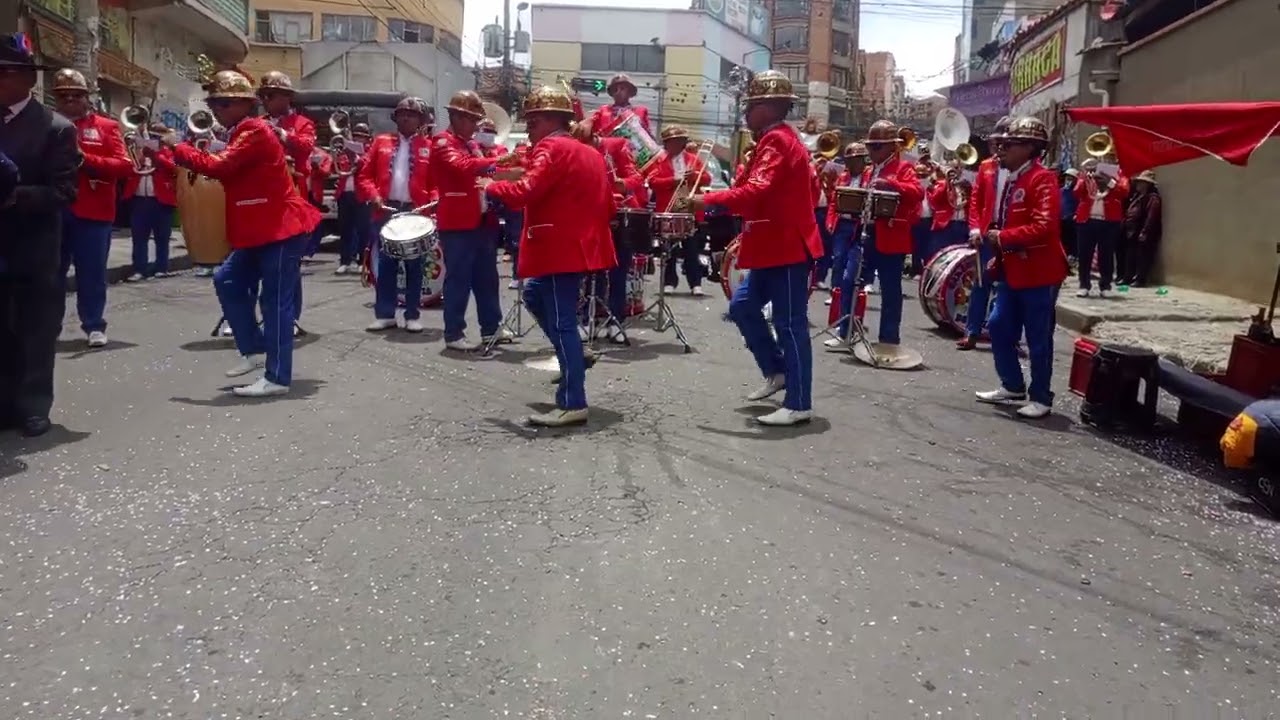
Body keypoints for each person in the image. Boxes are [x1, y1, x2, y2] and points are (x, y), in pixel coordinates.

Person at [162, 70, 321, 397]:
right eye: (213, 103)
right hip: (260, 228)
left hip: (279, 227)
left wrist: (179, 146)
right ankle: (254, 349)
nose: (216, 109)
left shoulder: (254, 130)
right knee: (226, 279)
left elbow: (219, 167)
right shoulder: (241, 132)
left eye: (223, 103)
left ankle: (277, 377)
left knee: (275, 303)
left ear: (244, 104)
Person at [691, 69, 823, 427]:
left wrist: (708, 200)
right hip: (771, 245)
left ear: (768, 107)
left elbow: (756, 191)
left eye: (750, 107)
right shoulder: (773, 141)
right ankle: (777, 371)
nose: (746, 113)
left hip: (786, 246)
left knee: (790, 324)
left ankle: (799, 403)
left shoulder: (778, 140)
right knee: (743, 306)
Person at [485, 85, 616, 427]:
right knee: (534, 296)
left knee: (562, 321)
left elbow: (525, 191)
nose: (529, 128)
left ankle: (573, 401)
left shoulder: (551, 147)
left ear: (553, 120)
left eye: (533, 121)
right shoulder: (590, 153)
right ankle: (575, 353)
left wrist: (490, 187)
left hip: (559, 247)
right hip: (580, 245)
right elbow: (609, 205)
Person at [0, 32, 80, 437]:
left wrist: (14, 197)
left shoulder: (56, 128)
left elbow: (64, 191)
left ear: (24, 78)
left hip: (33, 244)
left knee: (34, 328)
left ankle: (33, 406)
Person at [974, 116, 1065, 420]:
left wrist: (1002, 238)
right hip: (1012, 269)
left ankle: (1041, 396)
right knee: (998, 325)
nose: (1001, 150)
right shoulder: (1012, 179)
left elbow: (1044, 227)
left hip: (1039, 272)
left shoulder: (1043, 179)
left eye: (1009, 145)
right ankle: (1012, 384)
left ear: (1029, 148)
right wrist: (999, 254)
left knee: (1038, 336)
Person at [51, 68, 134, 349]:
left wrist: (86, 160)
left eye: (76, 95)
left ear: (87, 97)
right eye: (63, 96)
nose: (70, 100)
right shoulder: (45, 124)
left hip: (93, 212)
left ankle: (94, 325)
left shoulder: (106, 127)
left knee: (92, 273)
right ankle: (49, 327)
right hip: (53, 209)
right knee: (51, 274)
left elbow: (124, 166)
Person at [430, 90, 512, 351]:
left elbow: (484, 167)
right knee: (459, 279)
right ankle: (454, 333)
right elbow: (464, 167)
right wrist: (501, 161)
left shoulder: (472, 144)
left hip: (482, 220)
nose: (476, 125)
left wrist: (506, 167)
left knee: (487, 278)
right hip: (457, 223)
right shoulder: (442, 142)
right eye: (472, 119)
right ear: (456, 117)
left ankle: (491, 329)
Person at [357, 97, 436, 333]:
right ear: (396, 118)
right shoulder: (381, 142)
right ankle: (385, 314)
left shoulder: (429, 146)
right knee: (386, 264)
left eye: (412, 115)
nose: (406, 118)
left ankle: (412, 315)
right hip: (386, 210)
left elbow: (436, 183)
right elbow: (364, 176)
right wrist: (374, 196)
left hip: (415, 211)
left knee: (415, 265)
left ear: (420, 120)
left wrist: (432, 201)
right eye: (402, 114)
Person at [857, 120, 925, 354]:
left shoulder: (904, 168)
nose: (871, 151)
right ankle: (850, 330)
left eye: (877, 146)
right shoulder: (868, 170)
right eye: (870, 146)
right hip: (866, 232)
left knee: (890, 290)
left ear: (892, 147)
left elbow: (918, 193)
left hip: (891, 235)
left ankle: (888, 339)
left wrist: (891, 184)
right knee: (853, 282)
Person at [591, 127, 647, 342]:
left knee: (619, 271)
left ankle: (616, 320)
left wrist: (622, 185)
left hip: (620, 212)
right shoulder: (575, 148)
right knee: (591, 271)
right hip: (592, 213)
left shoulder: (616, 145)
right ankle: (589, 318)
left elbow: (636, 177)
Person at [961, 117, 1011, 351]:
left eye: (1004, 143)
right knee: (981, 284)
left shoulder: (1025, 169)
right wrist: (974, 228)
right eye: (995, 143)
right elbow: (976, 200)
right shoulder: (986, 166)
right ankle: (971, 332)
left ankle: (1005, 336)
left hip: (1010, 234)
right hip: (986, 231)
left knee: (1007, 287)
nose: (998, 148)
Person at [644, 125, 711, 295]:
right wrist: (673, 180)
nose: (673, 145)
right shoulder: (659, 161)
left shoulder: (693, 160)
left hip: (688, 208)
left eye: (677, 141)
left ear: (683, 143)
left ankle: (695, 283)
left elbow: (707, 178)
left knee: (691, 249)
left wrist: (694, 176)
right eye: (670, 142)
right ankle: (669, 282)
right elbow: (652, 182)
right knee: (668, 250)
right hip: (667, 209)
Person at [823, 142, 869, 348]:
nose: (850, 164)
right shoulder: (843, 177)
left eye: (854, 160)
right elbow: (834, 202)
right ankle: (842, 323)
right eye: (848, 160)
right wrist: (830, 221)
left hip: (859, 229)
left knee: (851, 278)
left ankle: (846, 329)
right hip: (842, 227)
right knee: (838, 268)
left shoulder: (870, 178)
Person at [123, 122, 179, 281]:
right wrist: (140, 156)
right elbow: (128, 167)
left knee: (162, 237)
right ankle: (139, 269)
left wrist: (156, 156)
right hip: (139, 199)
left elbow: (174, 168)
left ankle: (161, 268)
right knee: (139, 237)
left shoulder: (168, 151)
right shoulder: (137, 151)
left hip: (161, 200)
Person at [1072, 157, 1128, 298]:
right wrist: (1085, 177)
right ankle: (1084, 285)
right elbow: (1077, 192)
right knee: (1084, 255)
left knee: (1106, 255)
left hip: (1109, 221)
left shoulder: (1119, 174)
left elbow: (1124, 192)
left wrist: (1109, 182)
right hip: (1087, 220)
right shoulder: (1086, 175)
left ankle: (1105, 285)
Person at [333, 122, 372, 275]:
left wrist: (355, 157)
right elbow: (336, 168)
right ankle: (344, 261)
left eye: (361, 137)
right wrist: (337, 155)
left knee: (363, 230)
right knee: (345, 229)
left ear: (367, 139)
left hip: (361, 195)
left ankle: (362, 261)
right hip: (344, 194)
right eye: (356, 136)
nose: (358, 139)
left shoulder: (369, 152)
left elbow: (366, 166)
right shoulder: (344, 153)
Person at [1120, 169, 1161, 287]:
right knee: (1131, 255)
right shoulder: (1137, 196)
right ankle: (1128, 277)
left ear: (1147, 184)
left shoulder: (1153, 198)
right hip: (1132, 230)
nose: (1138, 184)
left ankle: (1140, 279)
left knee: (1143, 256)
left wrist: (1145, 231)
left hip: (1142, 230)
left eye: (1141, 182)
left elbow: (1151, 216)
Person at [584, 73, 652, 137]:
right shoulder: (603, 111)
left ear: (629, 92)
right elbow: (591, 133)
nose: (618, 92)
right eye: (615, 90)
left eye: (622, 89)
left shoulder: (640, 112)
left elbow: (648, 138)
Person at [304, 145, 333, 257]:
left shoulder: (324, 155)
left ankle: (310, 249)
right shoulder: (298, 152)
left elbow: (327, 172)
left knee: (317, 222)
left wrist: (317, 168)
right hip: (300, 192)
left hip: (314, 193)